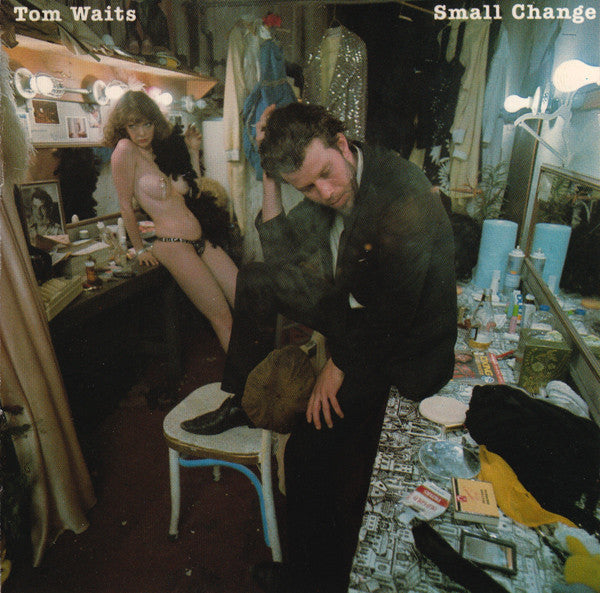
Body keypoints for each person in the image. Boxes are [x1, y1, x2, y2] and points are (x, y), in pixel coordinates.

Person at [181, 103, 457, 592]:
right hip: (357, 313)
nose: (324, 193)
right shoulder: (334, 179)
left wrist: (337, 364)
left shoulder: (403, 197)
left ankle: (308, 578)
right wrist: (270, 180)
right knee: (258, 278)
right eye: (307, 187)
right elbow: (282, 255)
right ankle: (242, 397)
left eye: (325, 175)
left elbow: (393, 315)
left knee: (307, 452)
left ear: (342, 144)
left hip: (402, 345)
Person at [105, 91, 237, 351]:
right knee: (223, 318)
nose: (141, 132)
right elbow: (125, 206)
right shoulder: (125, 151)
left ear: (155, 122)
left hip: (199, 237)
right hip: (173, 243)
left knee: (244, 300)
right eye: (133, 125)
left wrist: (192, 151)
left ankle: (261, 370)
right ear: (123, 127)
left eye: (147, 124)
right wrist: (140, 249)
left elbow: (193, 191)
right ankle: (248, 377)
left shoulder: (159, 152)